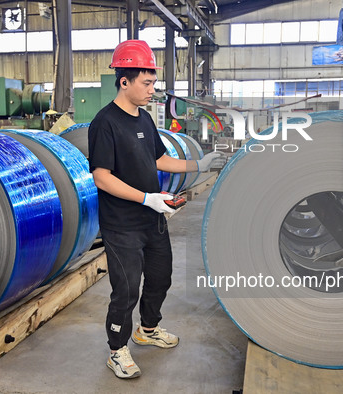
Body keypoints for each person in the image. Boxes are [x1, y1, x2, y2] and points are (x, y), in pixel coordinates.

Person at [87, 39, 221, 379]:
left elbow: (159, 159)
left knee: (161, 278)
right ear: (124, 81)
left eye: (153, 83)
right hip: (122, 225)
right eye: (146, 83)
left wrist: (197, 164)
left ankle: (147, 330)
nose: (152, 90)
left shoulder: (144, 119)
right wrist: (146, 197)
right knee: (127, 288)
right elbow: (102, 177)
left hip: (152, 219)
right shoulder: (105, 123)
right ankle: (117, 349)